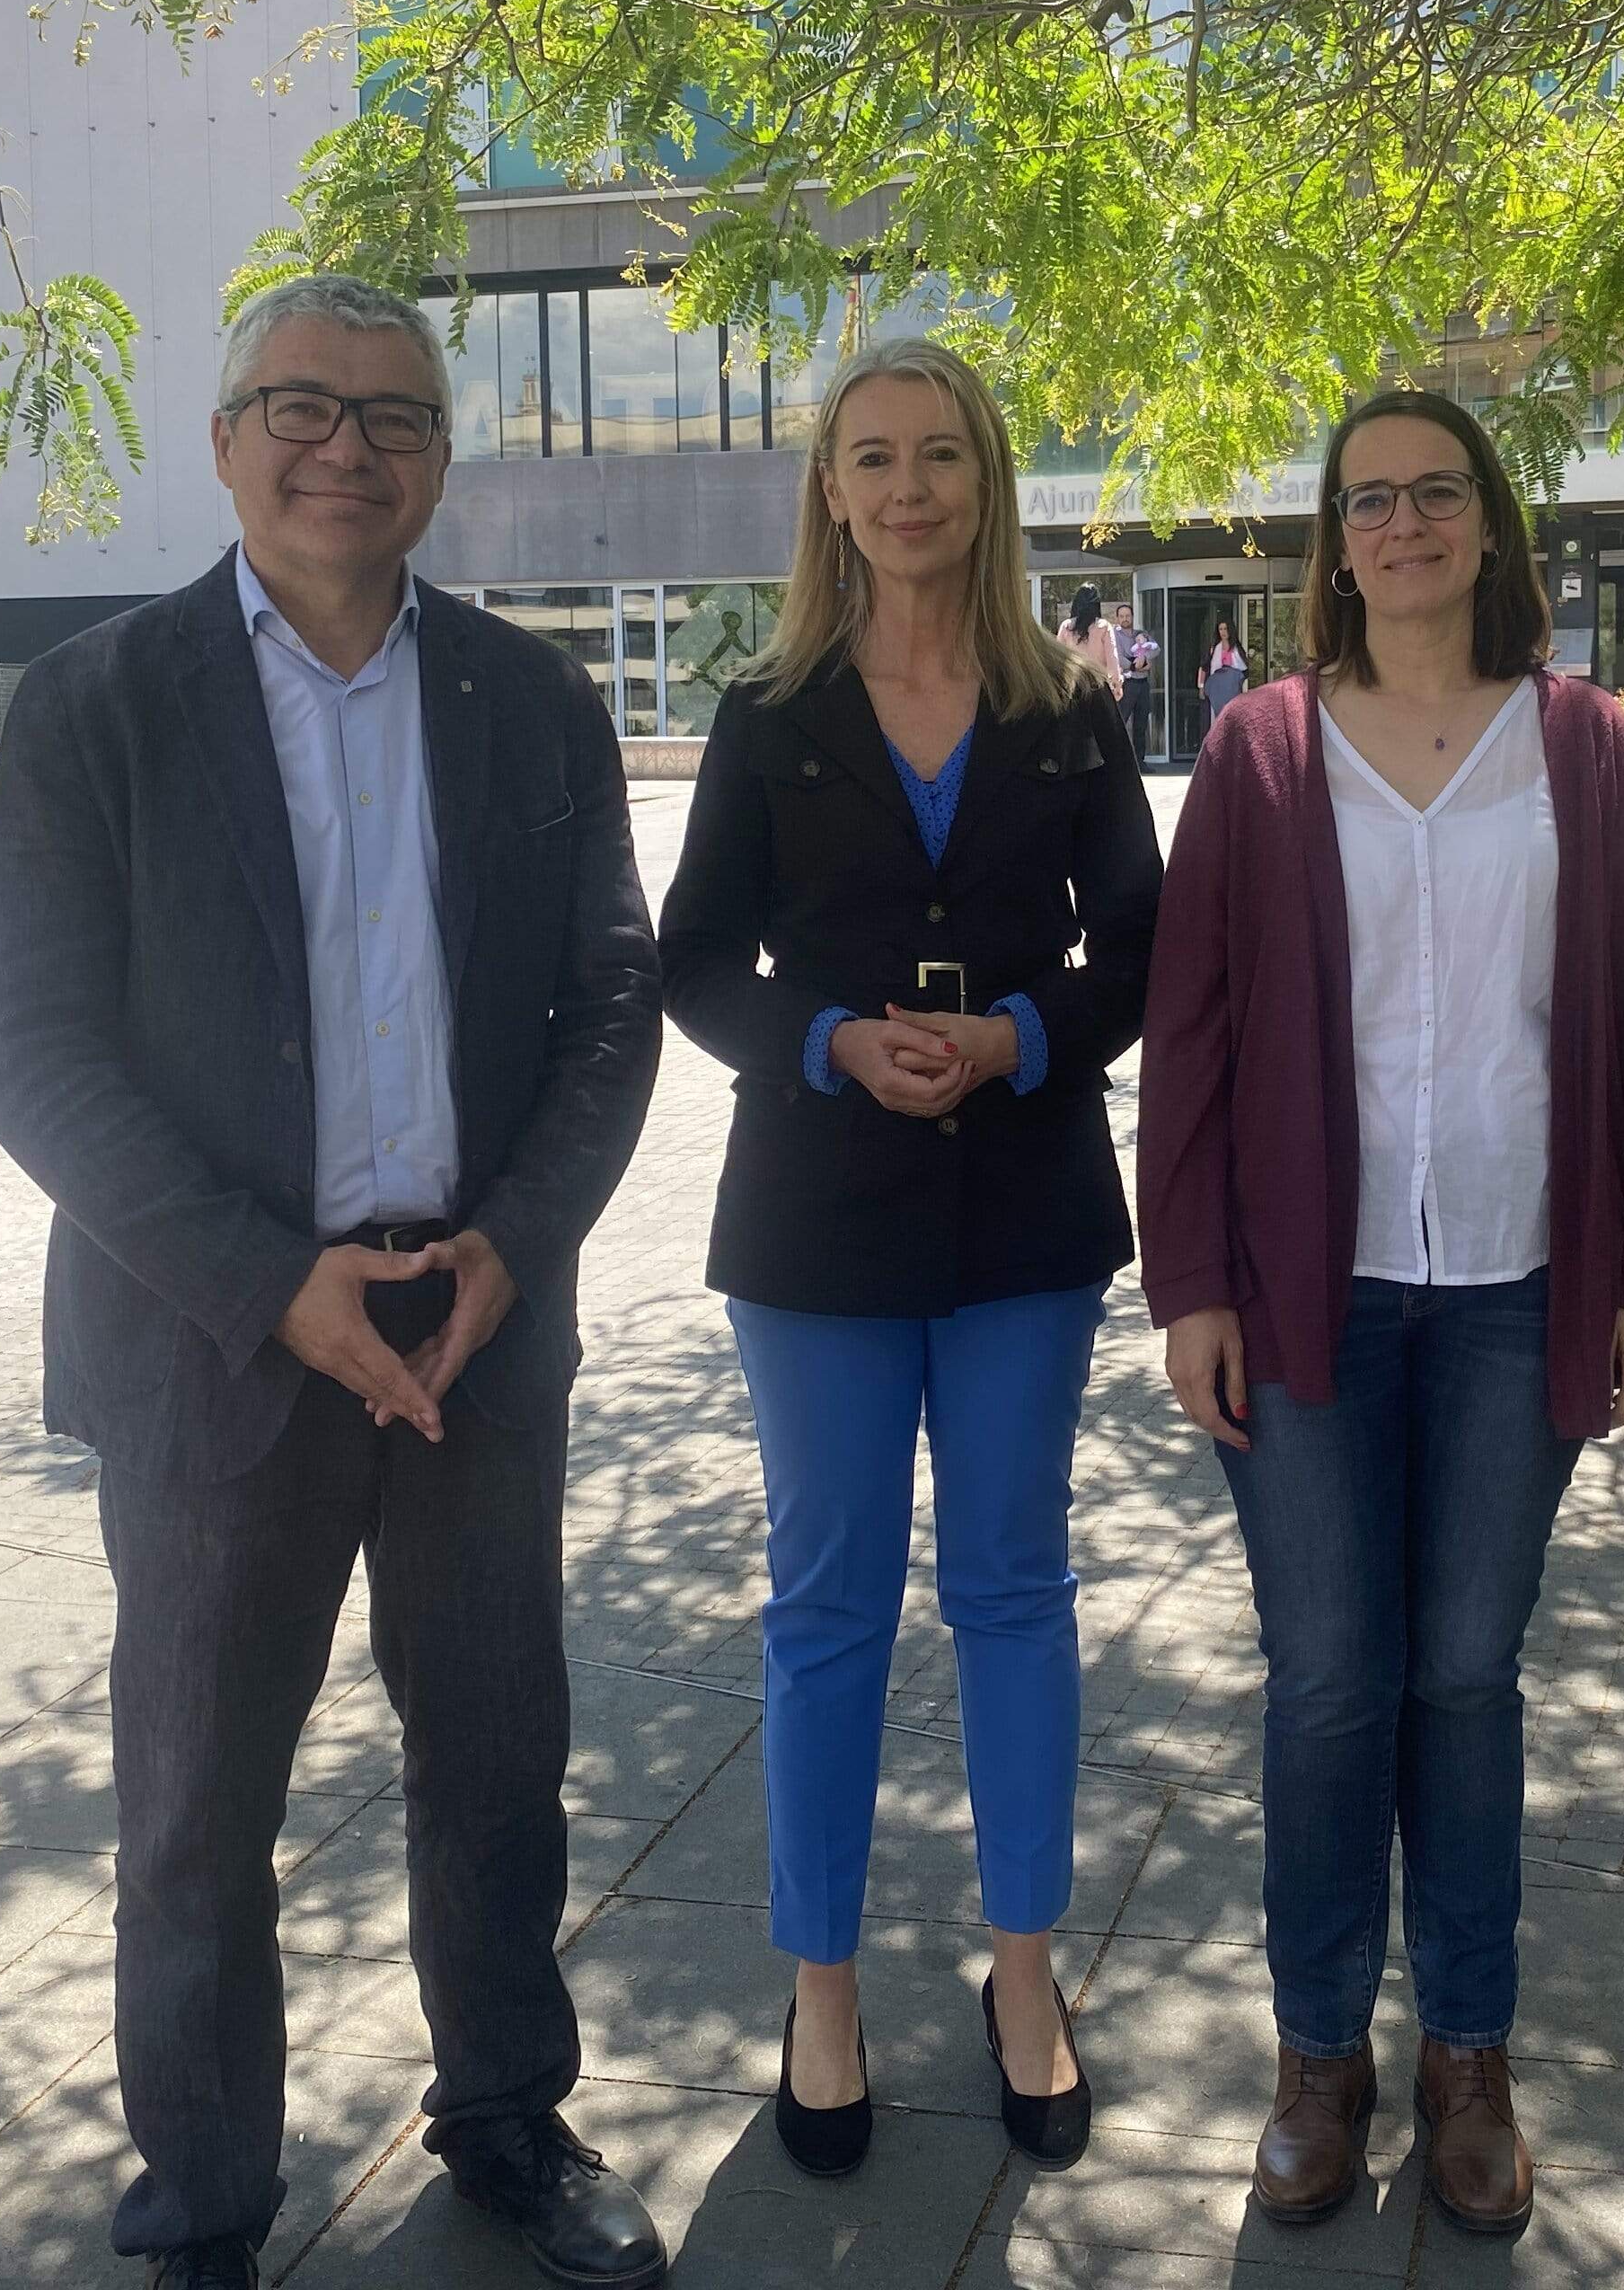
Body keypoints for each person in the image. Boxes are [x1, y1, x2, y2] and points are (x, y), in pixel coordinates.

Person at [0, 273, 669, 2290]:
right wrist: (273, 1286)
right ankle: (202, 2201)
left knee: (498, 1762)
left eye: (393, 417)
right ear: (223, 440)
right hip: (217, 1344)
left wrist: (517, 1243)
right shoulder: (95, 704)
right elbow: (33, 1056)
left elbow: (612, 1000)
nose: (344, 447)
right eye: (300, 404)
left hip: (473, 1326)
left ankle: (507, 2117)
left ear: (440, 460)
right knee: (196, 1807)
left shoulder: (533, 701)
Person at [1138, 387, 1624, 2243]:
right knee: (1329, 1678)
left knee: (1465, 1672)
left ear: (1488, 524)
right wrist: (1190, 1282)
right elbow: (1191, 1034)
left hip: (1514, 1281)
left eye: (1435, 492)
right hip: (1304, 1288)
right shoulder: (1260, 748)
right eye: (1368, 498)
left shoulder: (1586, 745)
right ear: (1335, 540)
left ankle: (1470, 2052)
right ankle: (1320, 2053)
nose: (1401, 522)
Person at [659, 338, 1162, 2184]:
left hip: (1025, 1206)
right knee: (826, 1609)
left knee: (1014, 1589)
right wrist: (826, 1042)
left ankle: (1025, 1976)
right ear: (831, 490)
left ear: (986, 479)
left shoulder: (1069, 710)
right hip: (815, 1216)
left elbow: (1143, 951)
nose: (906, 487)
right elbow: (692, 960)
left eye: (937, 453)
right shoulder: (767, 711)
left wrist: (1021, 1036)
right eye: (871, 456)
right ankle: (822, 1990)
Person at [1056, 580, 1128, 694]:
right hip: (1099, 684)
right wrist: (1117, 684)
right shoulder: (1103, 626)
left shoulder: (1067, 626)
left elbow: (1059, 657)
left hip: (1074, 684)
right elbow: (1112, 658)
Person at [1113, 602, 1157, 762]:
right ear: (1117, 618)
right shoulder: (1114, 635)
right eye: (1122, 616)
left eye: (1128, 616)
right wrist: (1135, 665)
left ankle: (1140, 762)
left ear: (1132, 617)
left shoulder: (1141, 633)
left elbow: (1156, 649)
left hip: (1143, 684)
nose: (1125, 619)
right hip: (1127, 683)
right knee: (1121, 722)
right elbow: (1117, 656)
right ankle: (1119, 761)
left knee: (1141, 724)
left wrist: (1144, 657)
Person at [1200, 618, 1249, 724]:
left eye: (1225, 629)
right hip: (1217, 692)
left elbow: (1245, 671)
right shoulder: (1214, 649)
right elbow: (1204, 668)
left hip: (1232, 691)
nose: (1223, 632)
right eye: (1221, 629)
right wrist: (1201, 687)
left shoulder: (1237, 649)